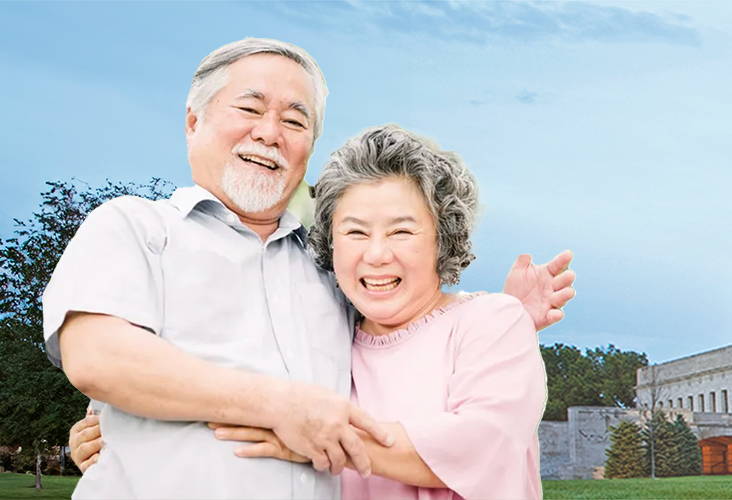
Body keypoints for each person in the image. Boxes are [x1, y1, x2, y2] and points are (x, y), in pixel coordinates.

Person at [47, 39, 573, 499]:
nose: (270, 133)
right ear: (193, 121)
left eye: (295, 120)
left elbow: (421, 333)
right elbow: (98, 358)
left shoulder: (326, 268)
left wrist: (504, 317)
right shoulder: (134, 227)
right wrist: (279, 408)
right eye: (249, 108)